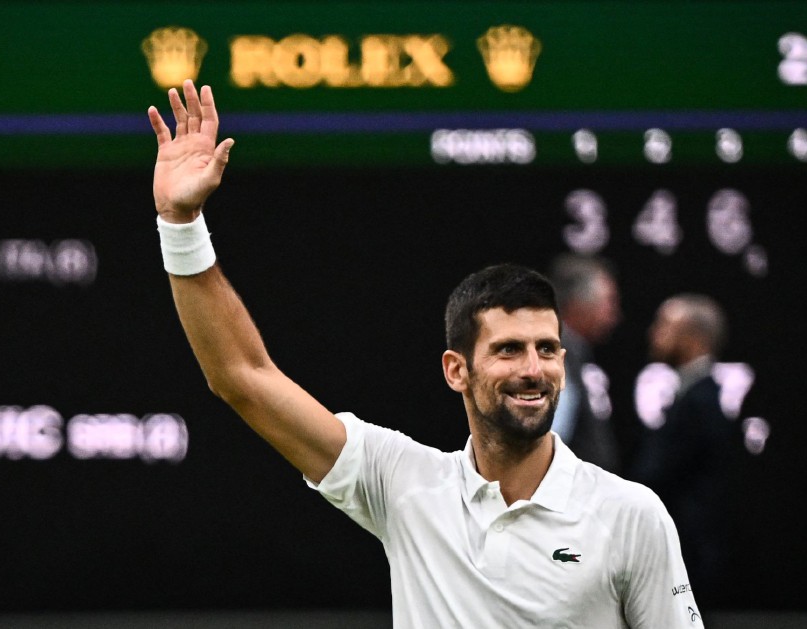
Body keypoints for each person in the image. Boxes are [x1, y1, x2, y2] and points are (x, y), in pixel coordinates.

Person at [146, 80, 703, 627]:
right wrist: (181, 224)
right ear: (455, 370)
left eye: (548, 349)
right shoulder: (404, 485)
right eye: (508, 350)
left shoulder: (632, 515)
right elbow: (242, 378)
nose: (534, 370)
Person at [628, 294, 740, 608]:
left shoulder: (701, 404)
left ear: (693, 338)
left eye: (664, 325)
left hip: (689, 550)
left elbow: (659, 472)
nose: (653, 334)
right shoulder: (693, 396)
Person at [547, 253, 622, 473]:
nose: (615, 314)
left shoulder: (576, 348)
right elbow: (550, 432)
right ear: (579, 303)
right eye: (609, 301)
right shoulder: (554, 349)